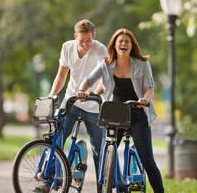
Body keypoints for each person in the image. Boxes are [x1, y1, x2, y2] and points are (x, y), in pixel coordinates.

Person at [77, 28, 164, 193]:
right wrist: (82, 90)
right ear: (115, 46)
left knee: (148, 161)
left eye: (127, 41)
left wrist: (144, 99)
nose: (123, 43)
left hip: (137, 113)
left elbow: (149, 88)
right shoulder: (106, 64)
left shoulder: (143, 63)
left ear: (131, 46)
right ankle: (117, 184)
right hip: (115, 114)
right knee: (106, 156)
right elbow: (89, 79)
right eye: (120, 41)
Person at [33, 19, 108, 193]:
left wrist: (94, 94)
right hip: (72, 100)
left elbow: (104, 79)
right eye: (81, 40)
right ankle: (48, 182)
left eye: (88, 40)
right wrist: (52, 96)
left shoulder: (100, 49)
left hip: (94, 105)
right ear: (75, 37)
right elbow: (61, 76)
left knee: (98, 148)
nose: (85, 44)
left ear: (94, 37)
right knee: (57, 138)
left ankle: (102, 187)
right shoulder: (67, 47)